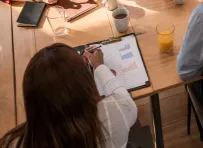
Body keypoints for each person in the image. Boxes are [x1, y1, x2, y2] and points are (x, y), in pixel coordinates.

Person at [0, 43, 138, 148]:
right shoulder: (115, 112)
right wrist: (98, 65)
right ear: (84, 84)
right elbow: (121, 95)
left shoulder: (13, 142)